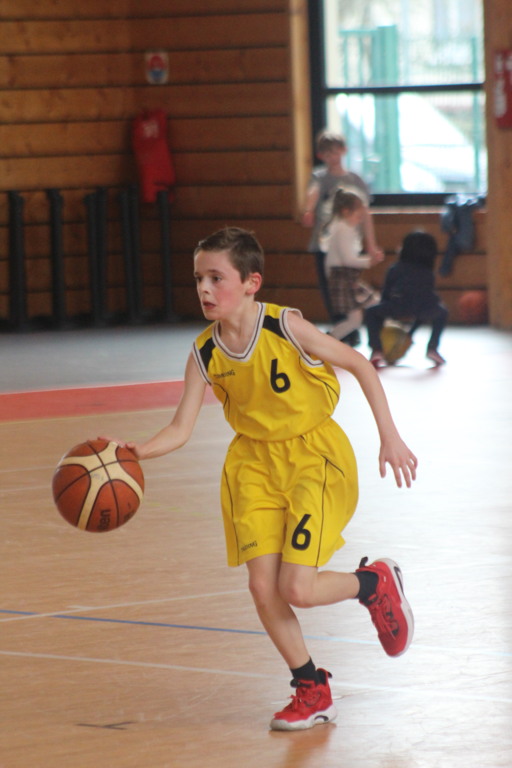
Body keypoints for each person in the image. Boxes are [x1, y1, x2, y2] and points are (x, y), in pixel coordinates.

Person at [112, 226, 417, 732]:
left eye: (216, 278)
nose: (204, 289)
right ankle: (311, 688)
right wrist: (135, 452)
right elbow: (181, 428)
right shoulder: (204, 353)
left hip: (313, 457)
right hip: (252, 466)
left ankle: (373, 583)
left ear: (251, 282)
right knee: (262, 585)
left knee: (297, 587)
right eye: (198, 279)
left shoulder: (285, 326)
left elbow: (360, 365)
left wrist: (390, 435)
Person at [301, 130, 382, 323]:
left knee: (351, 286)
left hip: (350, 243)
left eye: (335, 152)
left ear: (344, 151)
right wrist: (309, 210)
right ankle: (340, 325)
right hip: (325, 245)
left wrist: (371, 245)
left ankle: (350, 325)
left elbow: (366, 214)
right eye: (327, 154)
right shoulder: (320, 177)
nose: (332, 158)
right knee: (331, 290)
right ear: (321, 155)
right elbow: (313, 192)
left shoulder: (355, 180)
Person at [365, 230, 448, 367]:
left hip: (397, 306)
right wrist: (410, 333)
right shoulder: (428, 273)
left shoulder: (395, 268)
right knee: (442, 312)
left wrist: (385, 315)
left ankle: (377, 349)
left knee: (371, 312)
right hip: (422, 308)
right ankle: (432, 348)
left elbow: (386, 294)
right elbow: (428, 298)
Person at [322, 190, 383, 342]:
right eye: (358, 216)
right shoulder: (343, 229)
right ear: (346, 212)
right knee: (359, 316)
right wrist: (369, 261)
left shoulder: (344, 228)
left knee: (368, 308)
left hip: (345, 277)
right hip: (342, 278)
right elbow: (347, 260)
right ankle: (327, 341)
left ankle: (329, 339)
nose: (360, 220)